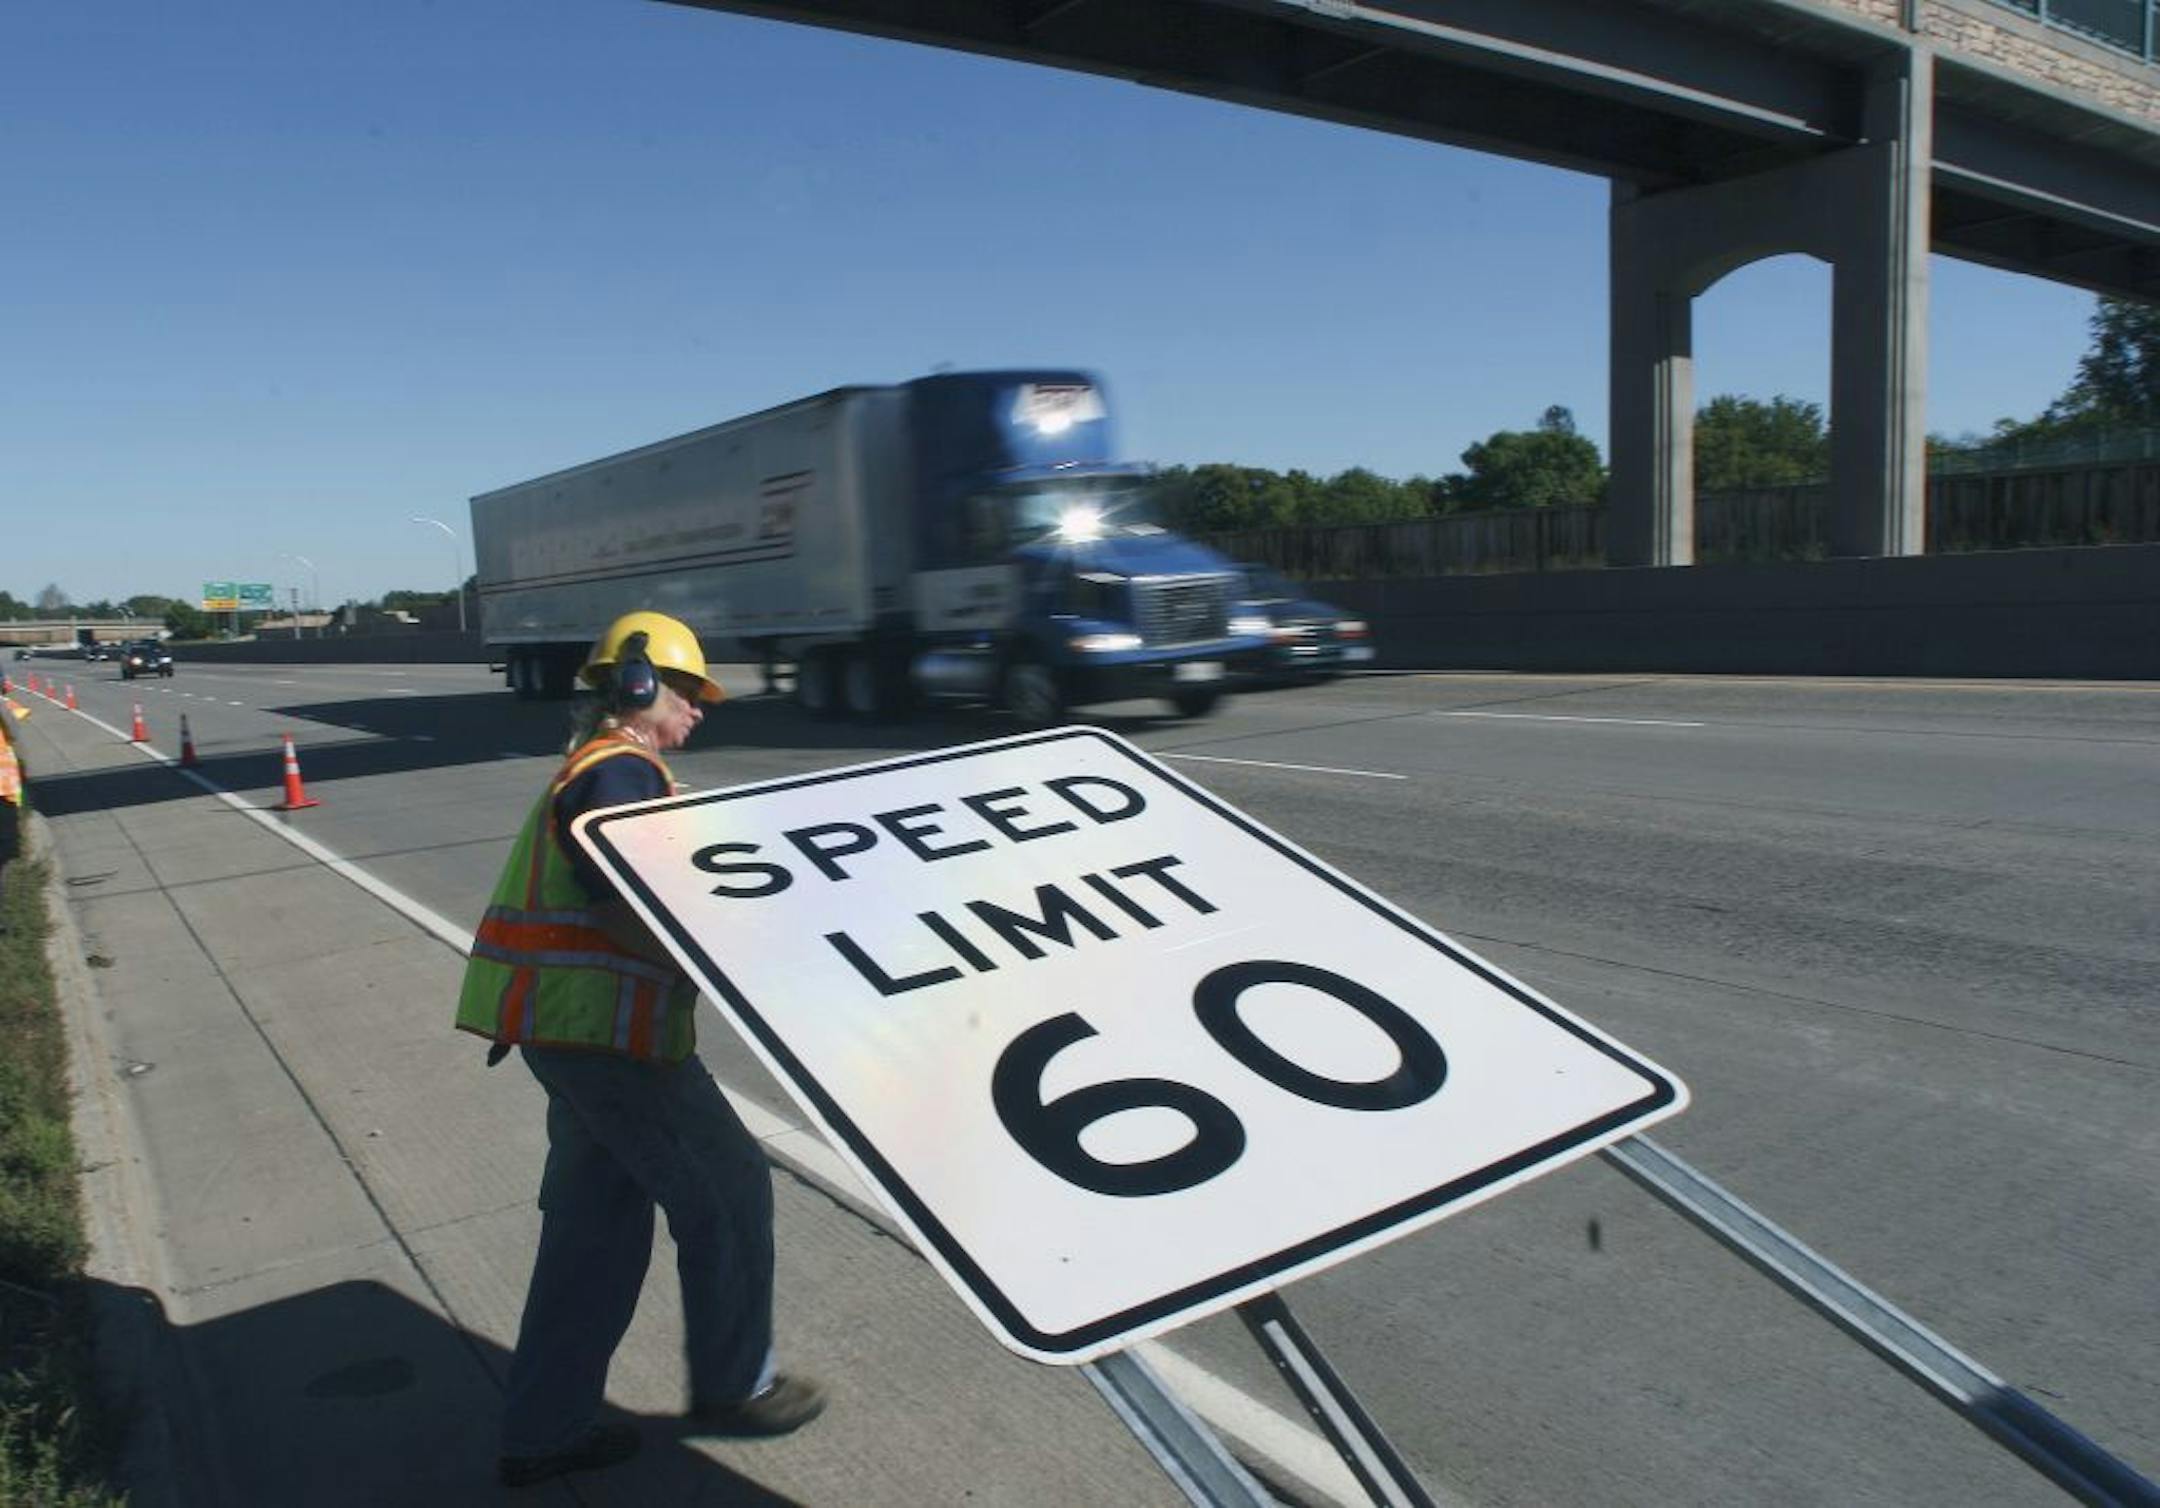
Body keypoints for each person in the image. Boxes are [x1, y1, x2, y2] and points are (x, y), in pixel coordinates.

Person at [456, 610, 824, 1488]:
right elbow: (624, 891)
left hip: (572, 1030)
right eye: (688, 690)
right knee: (729, 1190)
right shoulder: (619, 771)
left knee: (595, 1235)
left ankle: (542, 1431)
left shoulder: (604, 769)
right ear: (634, 684)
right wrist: (736, 963)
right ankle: (738, 1385)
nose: (700, 708)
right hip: (608, 1040)